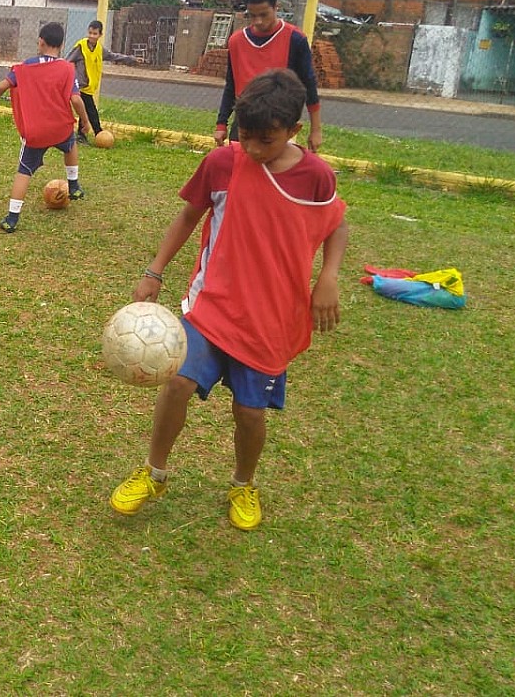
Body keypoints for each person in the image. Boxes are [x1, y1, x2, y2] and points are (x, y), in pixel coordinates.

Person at [110, 68, 348, 530]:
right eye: (246, 136)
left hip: (271, 320)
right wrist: (153, 271)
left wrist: (329, 277)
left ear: (293, 132)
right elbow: (187, 217)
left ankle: (243, 483)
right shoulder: (222, 163)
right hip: (212, 306)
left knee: (249, 411)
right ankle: (154, 471)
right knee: (176, 381)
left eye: (267, 140)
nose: (254, 149)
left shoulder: (317, 177)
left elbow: (336, 223)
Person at [0, 21, 91, 233]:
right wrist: (85, 122)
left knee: (24, 171)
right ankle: (74, 185)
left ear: (40, 42)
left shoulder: (24, 68)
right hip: (60, 128)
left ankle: (12, 218)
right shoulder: (67, 69)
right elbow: (77, 100)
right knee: (70, 146)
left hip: (35, 132)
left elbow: (2, 85)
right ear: (61, 45)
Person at [214, 0, 324, 153]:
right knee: (240, 172)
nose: (258, 21)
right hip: (244, 121)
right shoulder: (236, 41)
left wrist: (316, 130)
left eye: (264, 14)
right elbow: (231, 85)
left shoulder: (295, 39)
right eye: (252, 15)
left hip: (278, 124)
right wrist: (221, 124)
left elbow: (309, 85)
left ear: (276, 8)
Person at [66, 19, 138, 144]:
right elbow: (67, 61)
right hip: (80, 86)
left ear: (100, 35)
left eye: (94, 34)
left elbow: (113, 56)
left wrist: (130, 59)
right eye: (90, 33)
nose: (91, 36)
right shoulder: (81, 47)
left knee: (87, 110)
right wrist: (72, 77)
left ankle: (82, 135)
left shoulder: (100, 49)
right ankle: (97, 132)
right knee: (90, 110)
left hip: (88, 88)